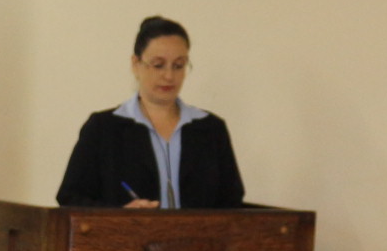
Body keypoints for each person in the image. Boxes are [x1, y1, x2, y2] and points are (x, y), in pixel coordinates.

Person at [56, 16, 245, 210]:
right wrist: (119, 215)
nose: (169, 76)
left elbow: (232, 203)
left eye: (178, 66)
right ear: (135, 64)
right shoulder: (103, 128)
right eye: (158, 65)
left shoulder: (211, 129)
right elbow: (70, 198)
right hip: (126, 231)